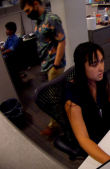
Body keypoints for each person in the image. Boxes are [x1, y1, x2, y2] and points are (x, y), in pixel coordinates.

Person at [64, 42, 110, 164]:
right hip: (92, 137)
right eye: (94, 64)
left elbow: (106, 99)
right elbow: (83, 139)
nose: (101, 68)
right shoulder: (72, 95)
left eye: (102, 61)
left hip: (104, 125)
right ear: (81, 68)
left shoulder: (101, 78)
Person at [21, 0, 66, 136]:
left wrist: (56, 65)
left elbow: (62, 41)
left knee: (52, 97)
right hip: (47, 64)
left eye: (28, 10)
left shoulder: (51, 19)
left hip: (54, 65)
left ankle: (56, 126)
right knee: (56, 95)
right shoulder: (39, 21)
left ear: (35, 3)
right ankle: (63, 120)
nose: (28, 14)